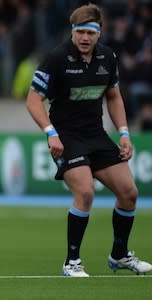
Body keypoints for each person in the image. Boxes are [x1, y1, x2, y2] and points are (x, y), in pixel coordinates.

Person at [25, 3, 152, 277]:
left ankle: (119, 255)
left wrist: (124, 133)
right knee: (85, 192)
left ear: (99, 33)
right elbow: (33, 100)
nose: (84, 38)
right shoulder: (57, 58)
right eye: (80, 32)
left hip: (97, 135)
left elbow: (114, 96)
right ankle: (72, 262)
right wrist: (50, 132)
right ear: (72, 32)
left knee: (129, 194)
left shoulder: (108, 57)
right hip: (67, 137)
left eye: (90, 33)